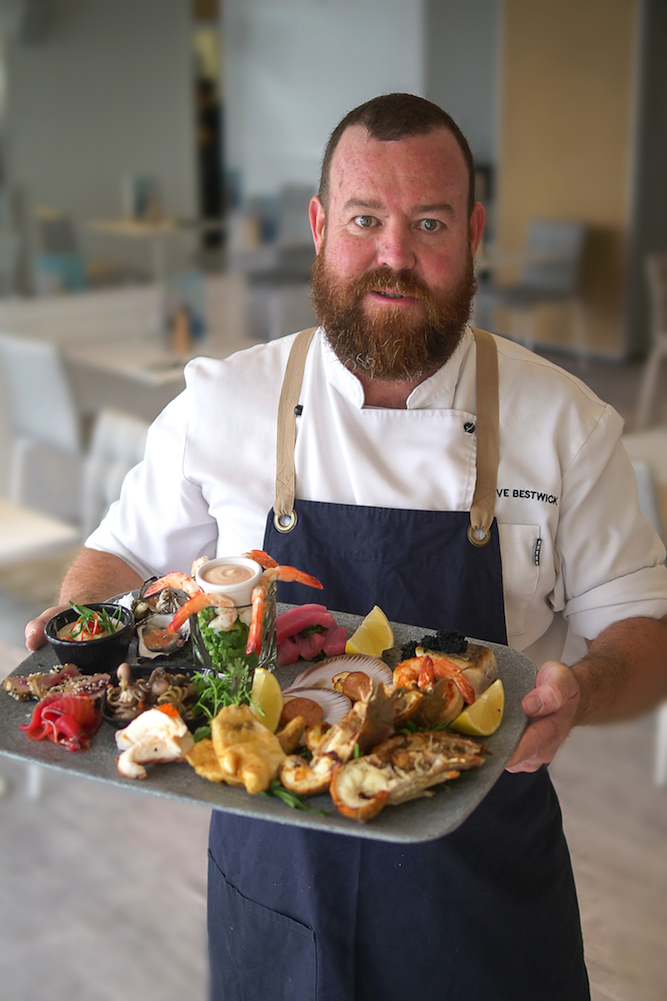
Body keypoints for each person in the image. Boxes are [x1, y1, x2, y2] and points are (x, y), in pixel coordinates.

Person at [26, 94, 667, 1000]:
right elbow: (118, 560)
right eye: (365, 220)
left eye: (429, 222)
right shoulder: (224, 404)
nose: (394, 256)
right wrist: (88, 628)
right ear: (321, 227)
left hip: (482, 892)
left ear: (474, 232)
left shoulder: (567, 425)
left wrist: (584, 689)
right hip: (277, 880)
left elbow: (642, 627)